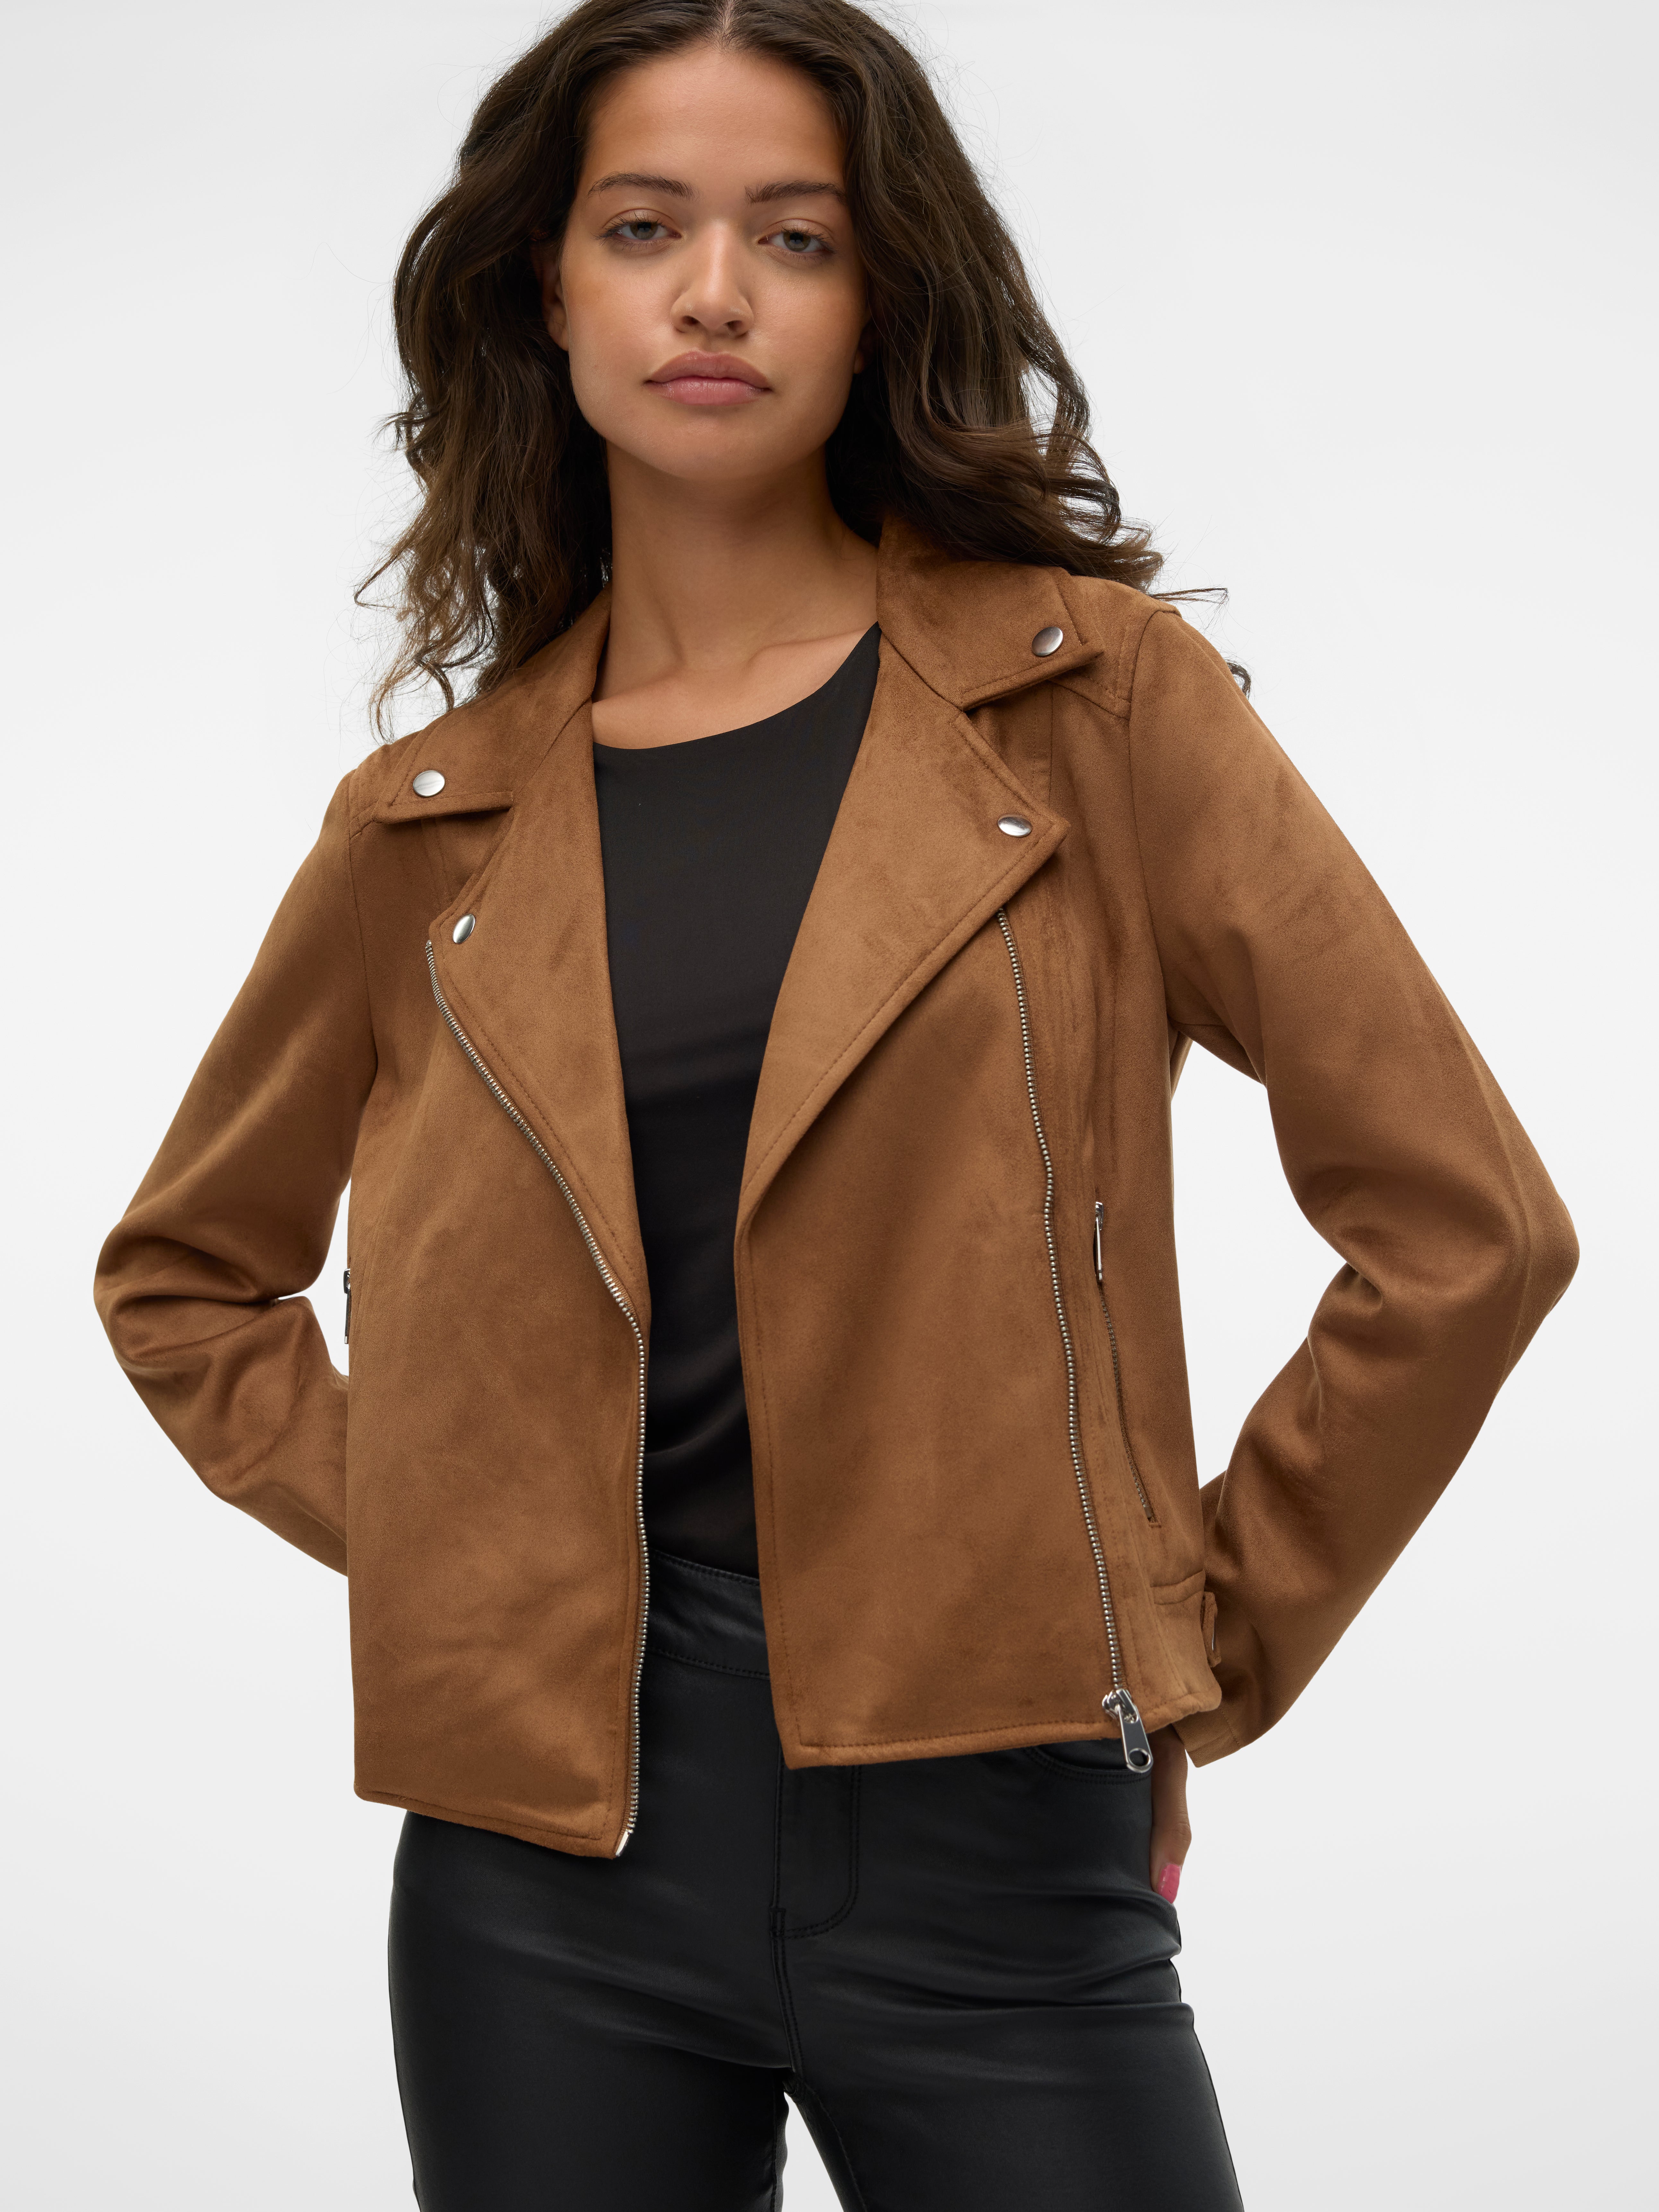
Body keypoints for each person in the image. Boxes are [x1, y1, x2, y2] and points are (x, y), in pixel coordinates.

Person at [93, 1, 1578, 2205]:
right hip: (540, 1879)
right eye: (643, 228)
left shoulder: (1095, 707)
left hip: (1000, 1830)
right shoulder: (429, 825)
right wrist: (473, 1547)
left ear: (879, 299)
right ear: (546, 290)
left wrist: (1187, 1638)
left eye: (794, 236)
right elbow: (188, 1280)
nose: (714, 291)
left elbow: (1470, 1225)